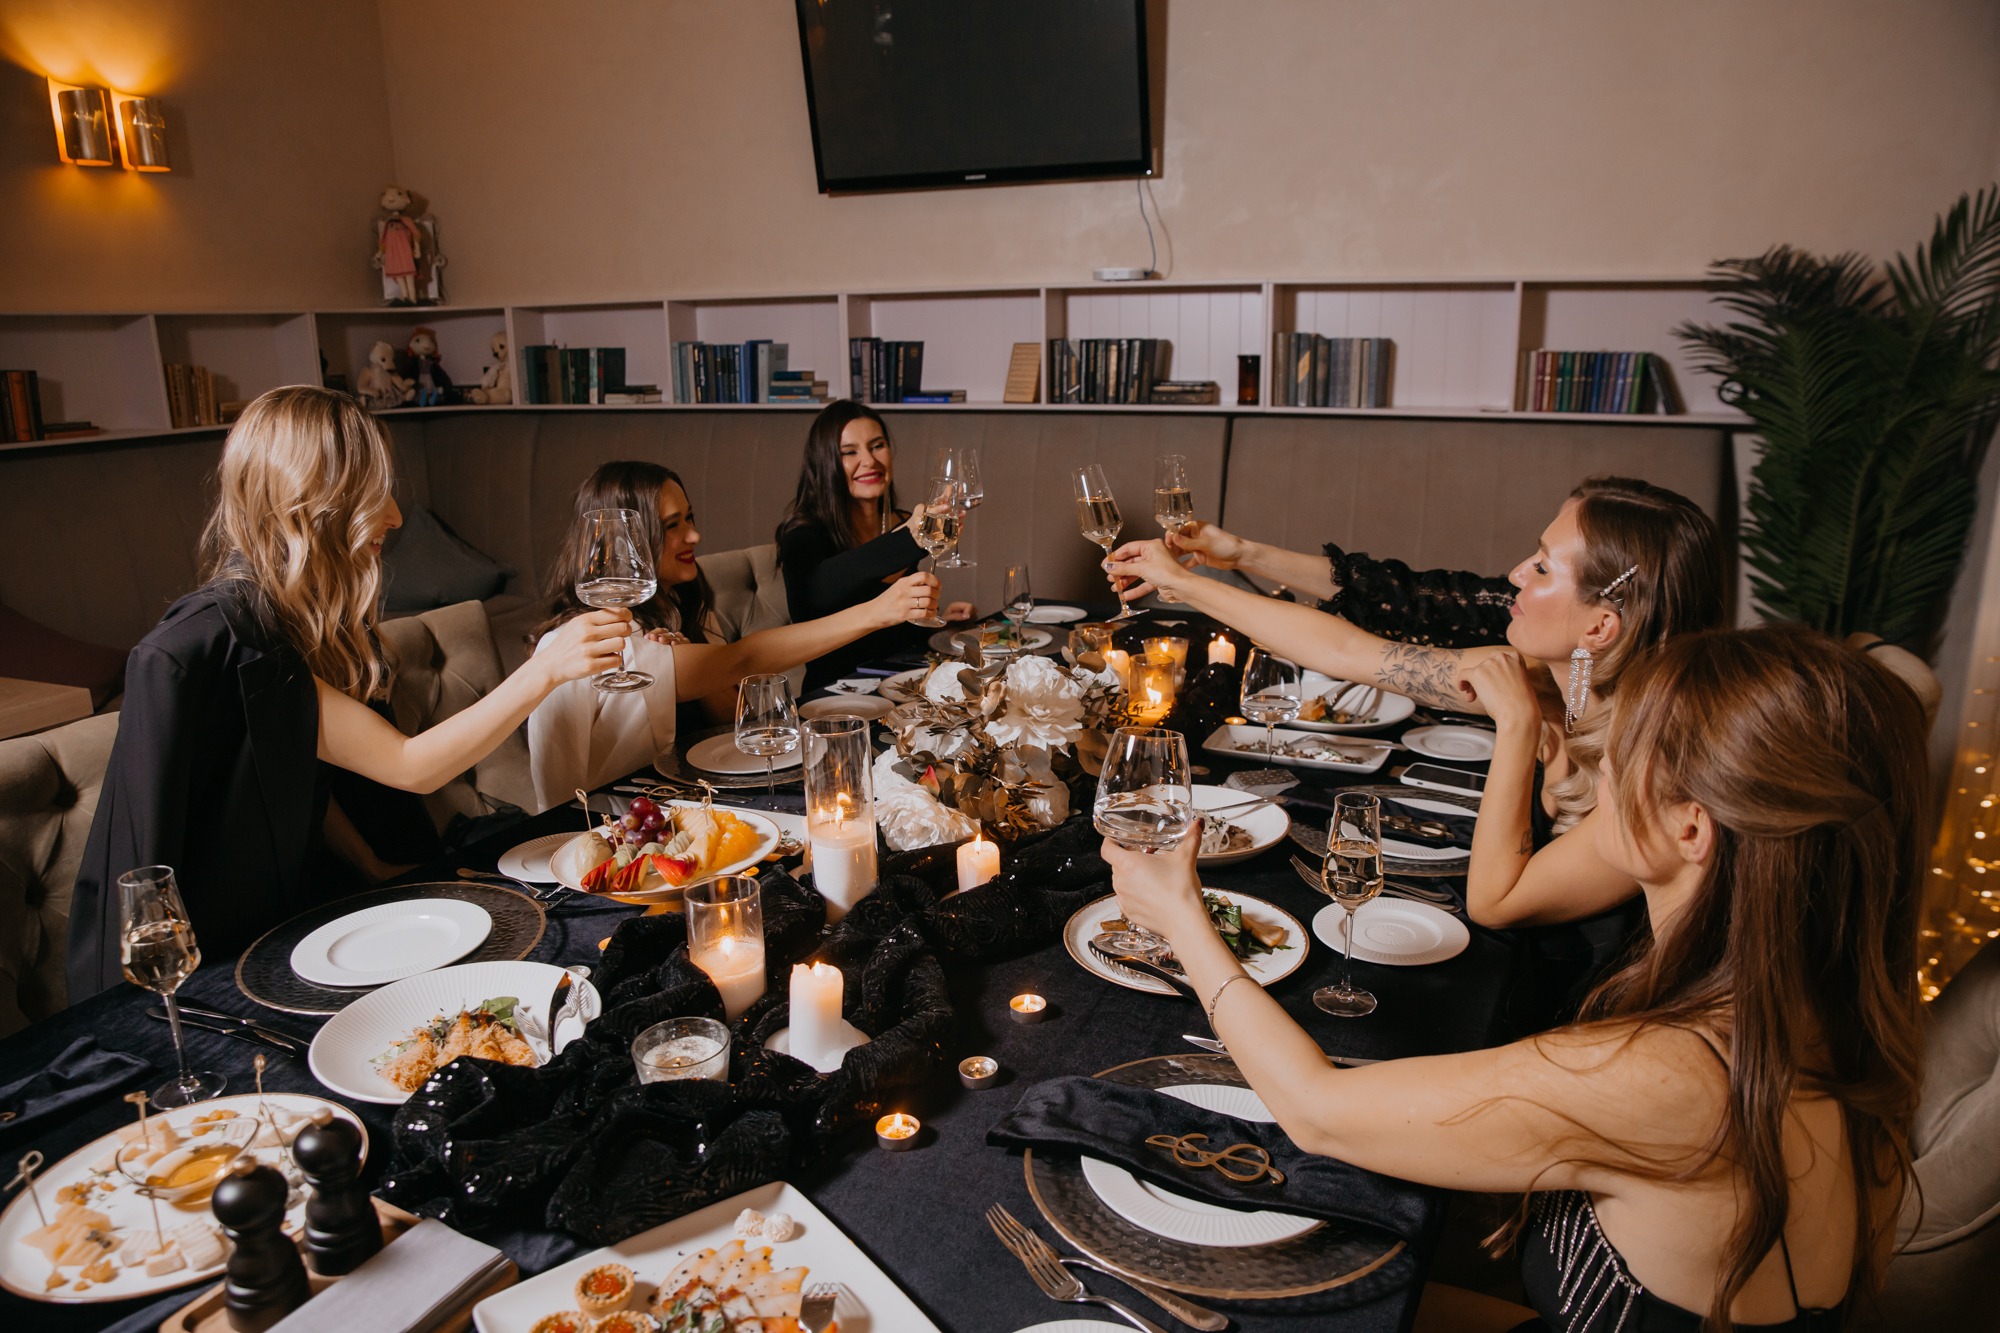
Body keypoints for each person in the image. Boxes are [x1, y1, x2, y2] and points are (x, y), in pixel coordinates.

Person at [1103, 625, 1926, 1331]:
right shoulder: (1840, 1022)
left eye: (1628, 748)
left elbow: (1319, 1112)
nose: (1606, 767)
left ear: (1691, 827)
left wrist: (1183, 917)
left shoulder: (1680, 1076)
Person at [68, 387, 630, 1000]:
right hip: (209, 964)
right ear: (315, 502)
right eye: (374, 493)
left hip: (285, 920)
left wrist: (368, 865)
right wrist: (544, 671)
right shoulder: (229, 641)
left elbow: (298, 771)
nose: (394, 516)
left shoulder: (294, 617)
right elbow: (409, 767)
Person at [1107, 478, 1725, 935]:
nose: (1514, 575)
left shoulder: (1654, 766)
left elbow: (1496, 904)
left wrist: (1516, 726)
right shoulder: (1551, 677)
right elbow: (1349, 651)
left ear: (1599, 628)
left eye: (1541, 567)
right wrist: (1185, 583)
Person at [527, 461, 939, 809]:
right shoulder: (588, 642)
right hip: (608, 826)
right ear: (624, 544)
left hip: (692, 803)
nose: (693, 536)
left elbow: (730, 716)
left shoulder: (682, 603)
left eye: (689, 518)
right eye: (672, 526)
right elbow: (743, 659)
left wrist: (698, 667)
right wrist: (877, 612)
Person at [775, 401, 971, 689]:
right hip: (835, 694)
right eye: (849, 452)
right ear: (824, 463)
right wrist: (909, 539)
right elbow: (814, 595)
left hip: (903, 683)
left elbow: (891, 634)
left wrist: (940, 624)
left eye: (877, 446)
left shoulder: (902, 521)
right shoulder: (802, 534)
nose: (869, 461)